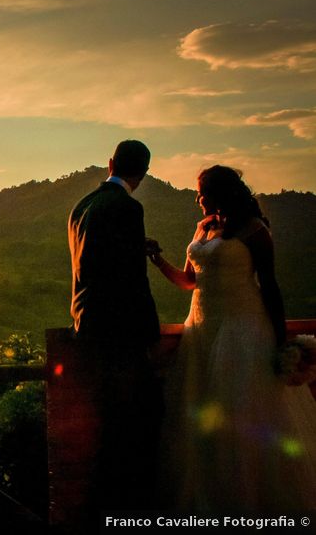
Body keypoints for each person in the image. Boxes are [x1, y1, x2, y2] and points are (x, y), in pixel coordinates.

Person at [147, 165, 316, 511]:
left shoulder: (255, 230)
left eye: (201, 192)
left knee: (241, 414)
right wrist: (157, 259)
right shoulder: (204, 228)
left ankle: (253, 501)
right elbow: (188, 282)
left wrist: (281, 339)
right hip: (202, 330)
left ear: (221, 193)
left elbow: (269, 285)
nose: (197, 198)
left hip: (242, 328)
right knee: (203, 416)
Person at [68, 139, 163, 517]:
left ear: (110, 163)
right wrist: (149, 331)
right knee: (135, 422)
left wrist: (134, 245)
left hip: (86, 324)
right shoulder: (128, 207)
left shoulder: (82, 206)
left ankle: (104, 512)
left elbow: (96, 259)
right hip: (119, 334)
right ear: (144, 173)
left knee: (106, 422)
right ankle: (125, 511)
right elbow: (131, 281)